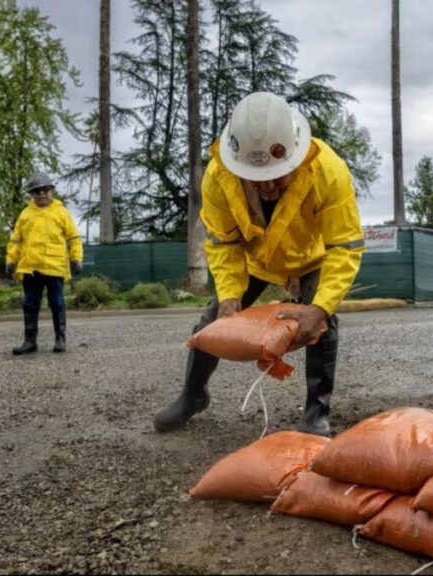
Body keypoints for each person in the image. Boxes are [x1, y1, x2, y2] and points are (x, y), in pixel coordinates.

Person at [153, 91, 365, 437]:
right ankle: (193, 396)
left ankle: (316, 414)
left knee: (322, 323)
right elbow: (224, 243)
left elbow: (344, 244)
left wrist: (320, 306)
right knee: (211, 320)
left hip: (311, 257)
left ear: (295, 154)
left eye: (277, 174)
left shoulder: (328, 169)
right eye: (256, 175)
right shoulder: (218, 177)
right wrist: (230, 297)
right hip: (255, 260)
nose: (267, 185)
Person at [5, 173, 83, 354]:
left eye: (45, 190)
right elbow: (16, 240)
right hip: (30, 267)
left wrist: (77, 257)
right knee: (29, 304)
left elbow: (73, 238)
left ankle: (60, 339)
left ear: (51, 191)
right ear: (32, 194)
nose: (41, 194)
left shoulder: (61, 213)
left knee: (56, 303)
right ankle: (30, 342)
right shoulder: (25, 214)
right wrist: (11, 259)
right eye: (36, 191)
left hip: (54, 267)